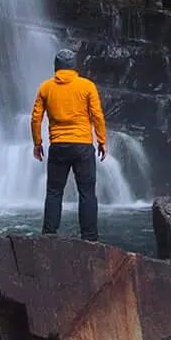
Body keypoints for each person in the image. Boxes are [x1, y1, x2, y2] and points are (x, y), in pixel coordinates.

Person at [31, 47, 107, 240]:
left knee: (54, 192)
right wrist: (102, 141)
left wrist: (37, 142)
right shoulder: (87, 86)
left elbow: (36, 118)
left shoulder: (46, 88)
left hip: (58, 146)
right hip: (82, 146)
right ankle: (89, 238)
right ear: (74, 67)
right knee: (87, 193)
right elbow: (97, 116)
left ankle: (49, 234)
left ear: (56, 67)